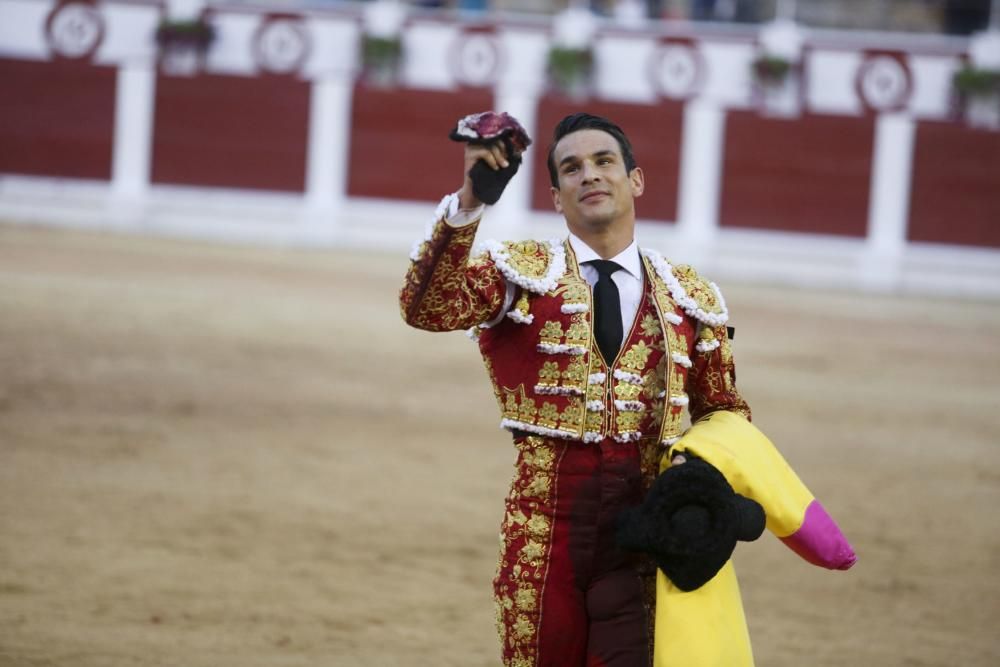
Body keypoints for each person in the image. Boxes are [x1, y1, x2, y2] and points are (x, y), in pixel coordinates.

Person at [400, 111, 755, 666]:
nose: (589, 174)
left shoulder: (690, 297)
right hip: (543, 542)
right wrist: (472, 200)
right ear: (557, 196)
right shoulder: (523, 273)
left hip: (642, 542)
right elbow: (428, 307)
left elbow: (725, 412)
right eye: (572, 168)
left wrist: (712, 492)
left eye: (603, 161)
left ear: (634, 180)